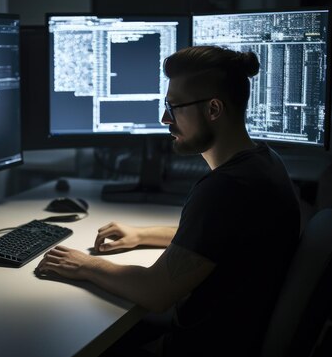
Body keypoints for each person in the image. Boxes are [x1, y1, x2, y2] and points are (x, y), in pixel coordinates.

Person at [35, 45, 301, 357]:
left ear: (214, 110)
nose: (164, 119)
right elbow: (215, 242)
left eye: (174, 107)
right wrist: (142, 235)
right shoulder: (265, 162)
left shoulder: (225, 189)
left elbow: (156, 291)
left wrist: (87, 265)